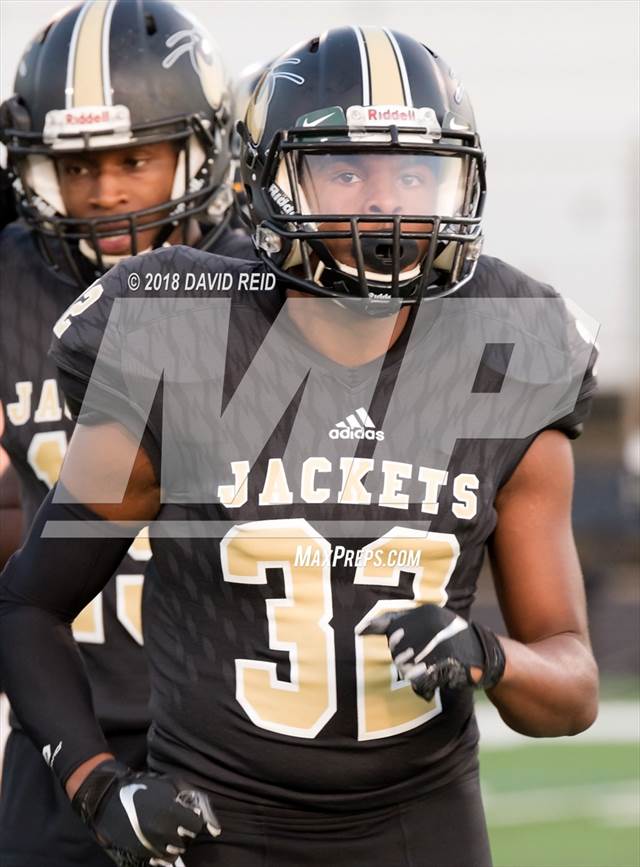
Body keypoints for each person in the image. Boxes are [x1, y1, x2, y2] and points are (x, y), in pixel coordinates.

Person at [0, 25, 598, 867]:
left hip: (420, 825)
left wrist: (493, 657)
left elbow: (572, 690)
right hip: (225, 822)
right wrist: (99, 784)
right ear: (270, 185)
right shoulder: (181, 337)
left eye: (414, 173)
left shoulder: (510, 353)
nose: (386, 203)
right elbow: (29, 603)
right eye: (346, 169)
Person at [0, 1, 253, 864]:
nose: (103, 190)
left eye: (133, 159)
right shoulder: (10, 284)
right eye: (75, 165)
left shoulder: (264, 284)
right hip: (64, 723)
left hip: (241, 728)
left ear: (200, 151)